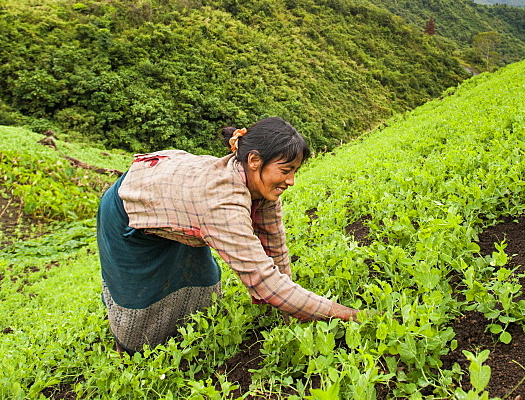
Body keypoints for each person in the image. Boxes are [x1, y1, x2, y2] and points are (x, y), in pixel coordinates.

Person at [96, 116, 360, 353]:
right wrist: (349, 315)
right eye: (285, 170)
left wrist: (285, 309)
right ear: (254, 161)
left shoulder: (262, 186)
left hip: (180, 202)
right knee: (140, 292)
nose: (291, 181)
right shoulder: (222, 206)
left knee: (201, 277)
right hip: (129, 206)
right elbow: (263, 279)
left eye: (294, 171)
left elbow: (275, 248)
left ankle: (189, 331)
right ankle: (128, 348)